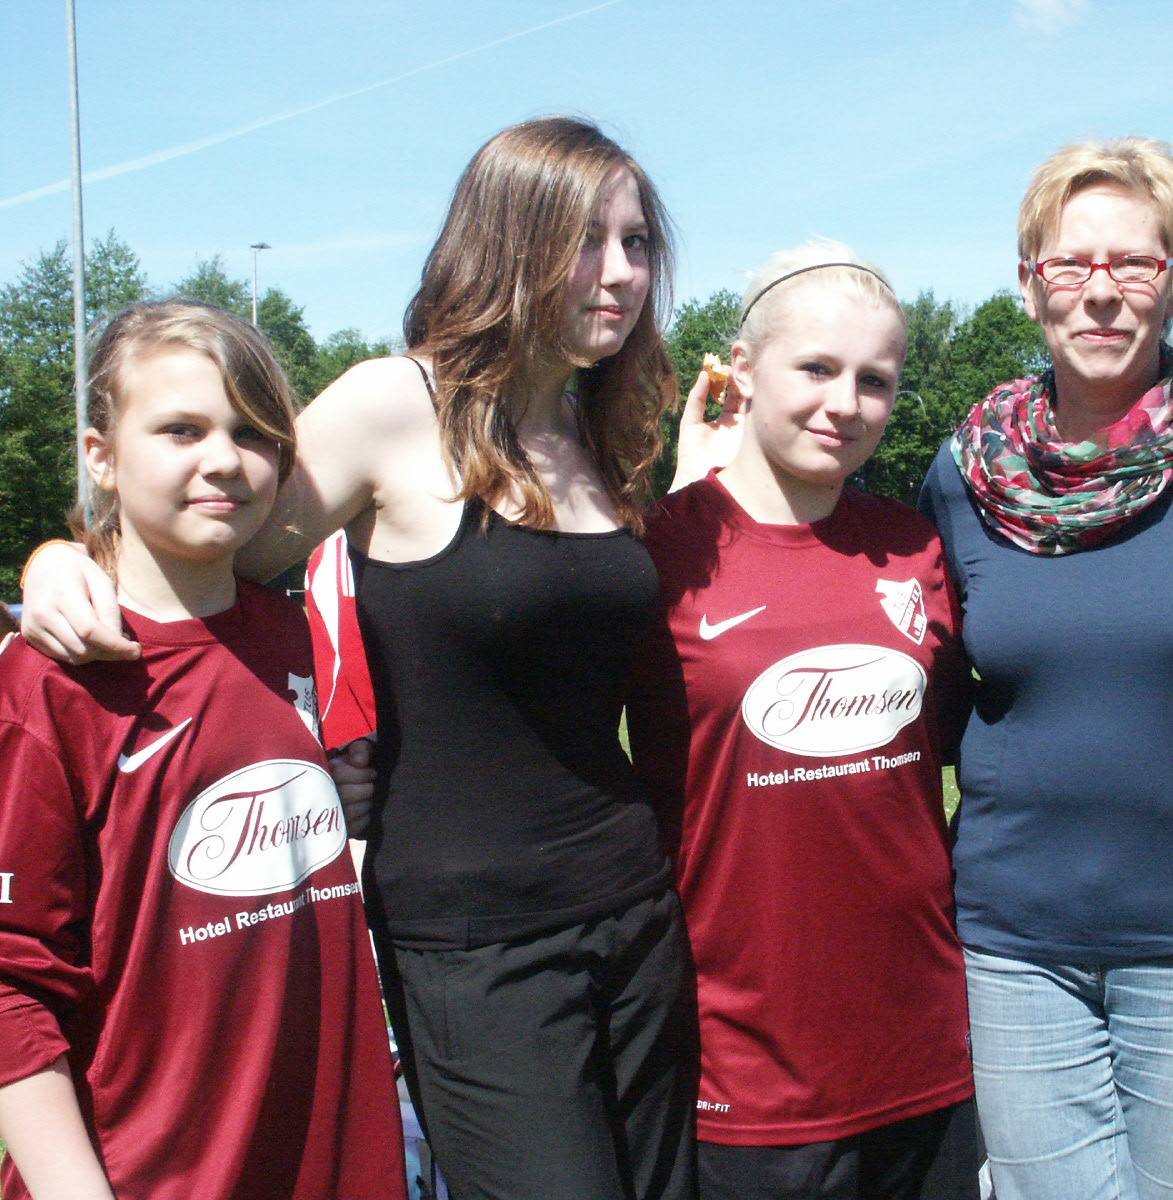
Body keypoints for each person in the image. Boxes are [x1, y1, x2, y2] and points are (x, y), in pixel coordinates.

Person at [19, 117, 696, 1200]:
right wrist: (60, 559)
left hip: (634, 913)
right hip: (477, 946)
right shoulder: (393, 406)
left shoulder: (594, 431)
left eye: (637, 243)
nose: (620, 272)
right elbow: (201, 534)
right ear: (507, 240)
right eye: (585, 239)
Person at [917, 139, 1173, 1199]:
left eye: (1134, 262)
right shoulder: (963, 472)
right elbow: (926, 683)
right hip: (1015, 944)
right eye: (1070, 264)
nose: (1101, 292)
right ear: (1028, 284)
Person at [0, 301, 406, 1199]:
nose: (223, 458)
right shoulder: (49, 683)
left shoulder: (301, 637)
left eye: (252, 432)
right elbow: (10, 985)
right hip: (151, 1174)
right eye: (181, 429)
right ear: (100, 455)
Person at [628, 242, 980, 1200]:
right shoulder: (653, 553)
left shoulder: (913, 546)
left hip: (924, 1048)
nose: (845, 403)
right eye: (816, 368)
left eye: (875, 380)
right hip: (746, 1062)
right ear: (743, 370)